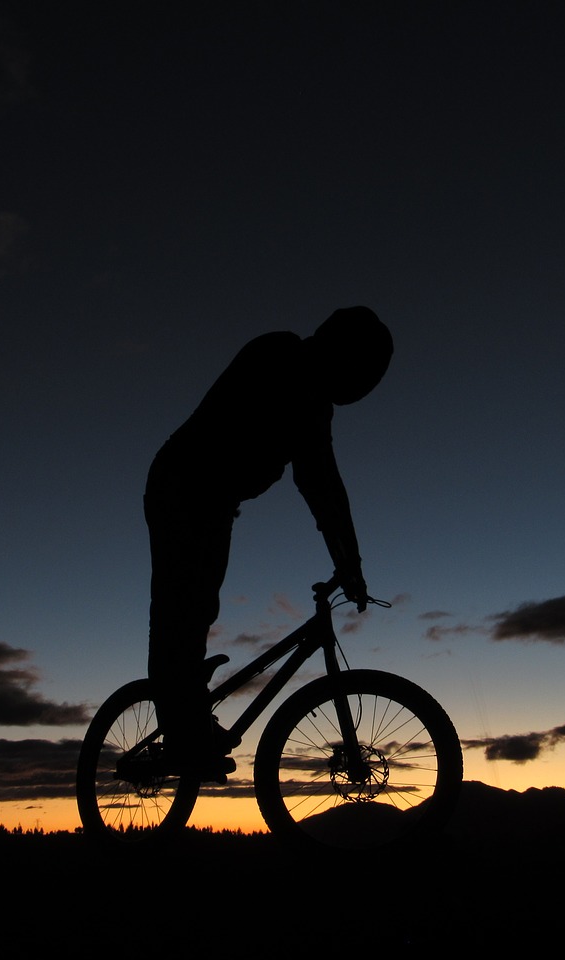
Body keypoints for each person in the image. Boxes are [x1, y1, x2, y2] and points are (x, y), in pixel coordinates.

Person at [144, 305, 392, 780]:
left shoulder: (316, 403)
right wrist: (347, 556)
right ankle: (180, 734)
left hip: (215, 503)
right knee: (182, 609)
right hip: (179, 486)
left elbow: (325, 486)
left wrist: (351, 561)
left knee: (198, 608)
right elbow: (316, 478)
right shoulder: (279, 353)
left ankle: (189, 715)